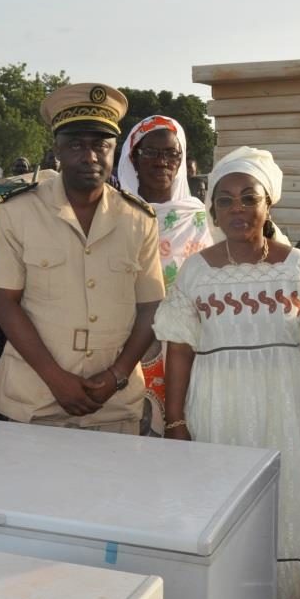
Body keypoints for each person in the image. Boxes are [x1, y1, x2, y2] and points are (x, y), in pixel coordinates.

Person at [153, 145, 300, 599]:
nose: (237, 209)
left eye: (248, 198)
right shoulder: (197, 271)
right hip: (216, 408)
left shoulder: (299, 265)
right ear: (213, 210)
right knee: (217, 511)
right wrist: (175, 421)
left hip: (285, 407)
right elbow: (179, 350)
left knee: (289, 507)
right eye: (225, 200)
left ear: (269, 206)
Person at [0, 83, 164, 434]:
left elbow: (151, 306)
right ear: (57, 150)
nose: (90, 156)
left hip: (113, 403)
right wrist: (58, 381)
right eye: (76, 145)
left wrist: (116, 376)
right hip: (36, 400)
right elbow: (3, 302)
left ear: (114, 150)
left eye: (101, 145)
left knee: (114, 490)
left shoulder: (139, 220)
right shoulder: (18, 211)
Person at [117, 115, 213, 435]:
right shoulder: (115, 214)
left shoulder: (199, 216)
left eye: (171, 154)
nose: (162, 162)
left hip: (195, 346)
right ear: (133, 157)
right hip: (131, 345)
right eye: (151, 153)